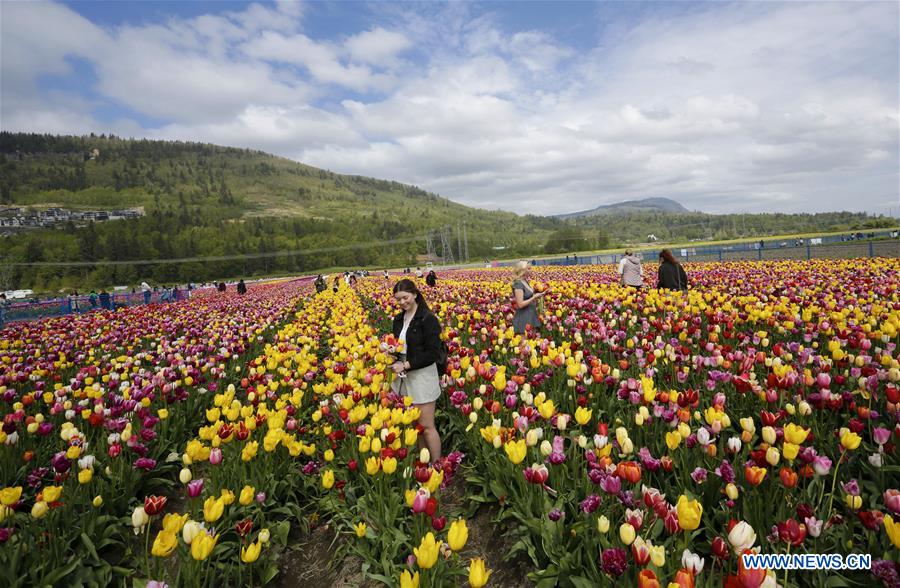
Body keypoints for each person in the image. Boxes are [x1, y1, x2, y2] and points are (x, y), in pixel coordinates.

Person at [390, 279, 443, 463]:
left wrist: (405, 365)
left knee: (427, 426)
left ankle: (437, 466)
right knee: (415, 426)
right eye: (398, 300)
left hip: (422, 375)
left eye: (405, 297)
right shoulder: (398, 319)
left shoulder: (428, 319)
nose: (402, 302)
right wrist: (390, 353)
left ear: (414, 293)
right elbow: (398, 346)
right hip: (403, 378)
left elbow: (432, 353)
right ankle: (423, 464)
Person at [511, 261, 547, 335]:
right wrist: (534, 297)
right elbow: (520, 304)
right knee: (524, 344)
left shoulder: (524, 281)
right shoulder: (518, 284)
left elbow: (527, 295)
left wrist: (538, 290)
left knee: (531, 343)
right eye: (529, 269)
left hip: (531, 315)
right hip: (523, 318)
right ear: (523, 270)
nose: (531, 270)